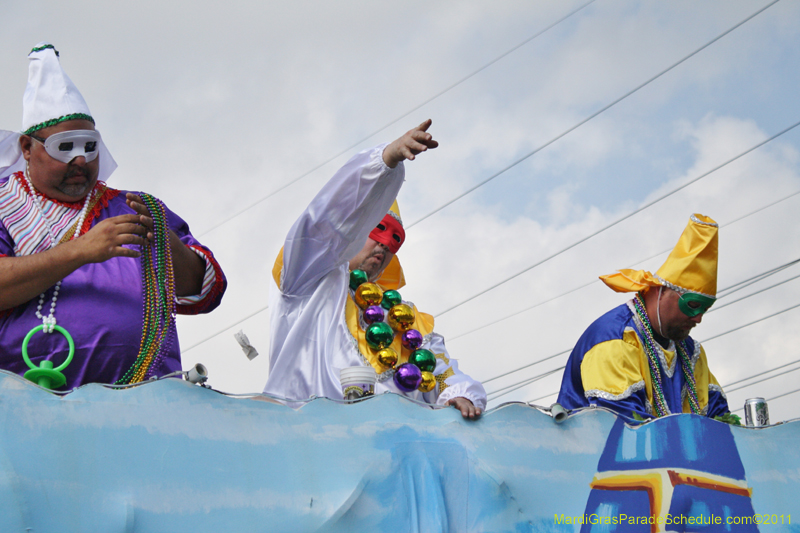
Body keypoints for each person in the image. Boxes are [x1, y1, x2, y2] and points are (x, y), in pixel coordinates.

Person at [0, 43, 226, 389]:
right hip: (24, 410)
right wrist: (81, 251)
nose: (80, 160)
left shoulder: (138, 207)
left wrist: (166, 246)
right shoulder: (4, 203)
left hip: (145, 404)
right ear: (27, 148)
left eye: (89, 147)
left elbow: (207, 292)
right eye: (65, 148)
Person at [264, 120, 486, 418]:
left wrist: (459, 395)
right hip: (315, 447)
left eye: (394, 240)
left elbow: (443, 372)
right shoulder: (307, 282)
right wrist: (384, 163)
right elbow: (322, 223)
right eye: (376, 230)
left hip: (396, 450)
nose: (383, 246)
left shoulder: (407, 317)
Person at [557, 214, 730, 421]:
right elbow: (625, 429)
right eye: (692, 305)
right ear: (661, 291)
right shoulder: (614, 340)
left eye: (705, 309)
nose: (698, 319)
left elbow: (719, 420)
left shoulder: (691, 353)